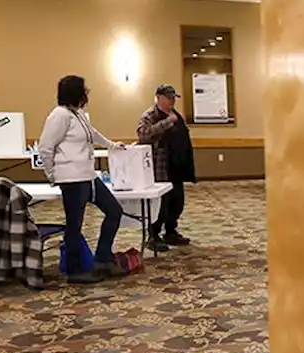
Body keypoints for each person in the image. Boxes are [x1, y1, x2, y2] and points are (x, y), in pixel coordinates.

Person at [37, 75, 129, 284]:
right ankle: (75, 271)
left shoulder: (77, 114)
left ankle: (103, 259)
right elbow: (45, 147)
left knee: (114, 210)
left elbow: (92, 134)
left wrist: (112, 145)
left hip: (88, 176)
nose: (87, 93)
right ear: (75, 92)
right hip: (71, 179)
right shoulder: (59, 115)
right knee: (74, 225)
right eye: (84, 90)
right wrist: (53, 176)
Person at [136, 84, 196, 250]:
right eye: (168, 98)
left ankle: (170, 231)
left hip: (176, 166)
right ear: (158, 97)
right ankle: (153, 236)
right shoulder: (150, 115)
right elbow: (143, 135)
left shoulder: (176, 115)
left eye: (173, 98)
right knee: (160, 205)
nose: (171, 102)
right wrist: (166, 123)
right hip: (160, 168)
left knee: (177, 202)